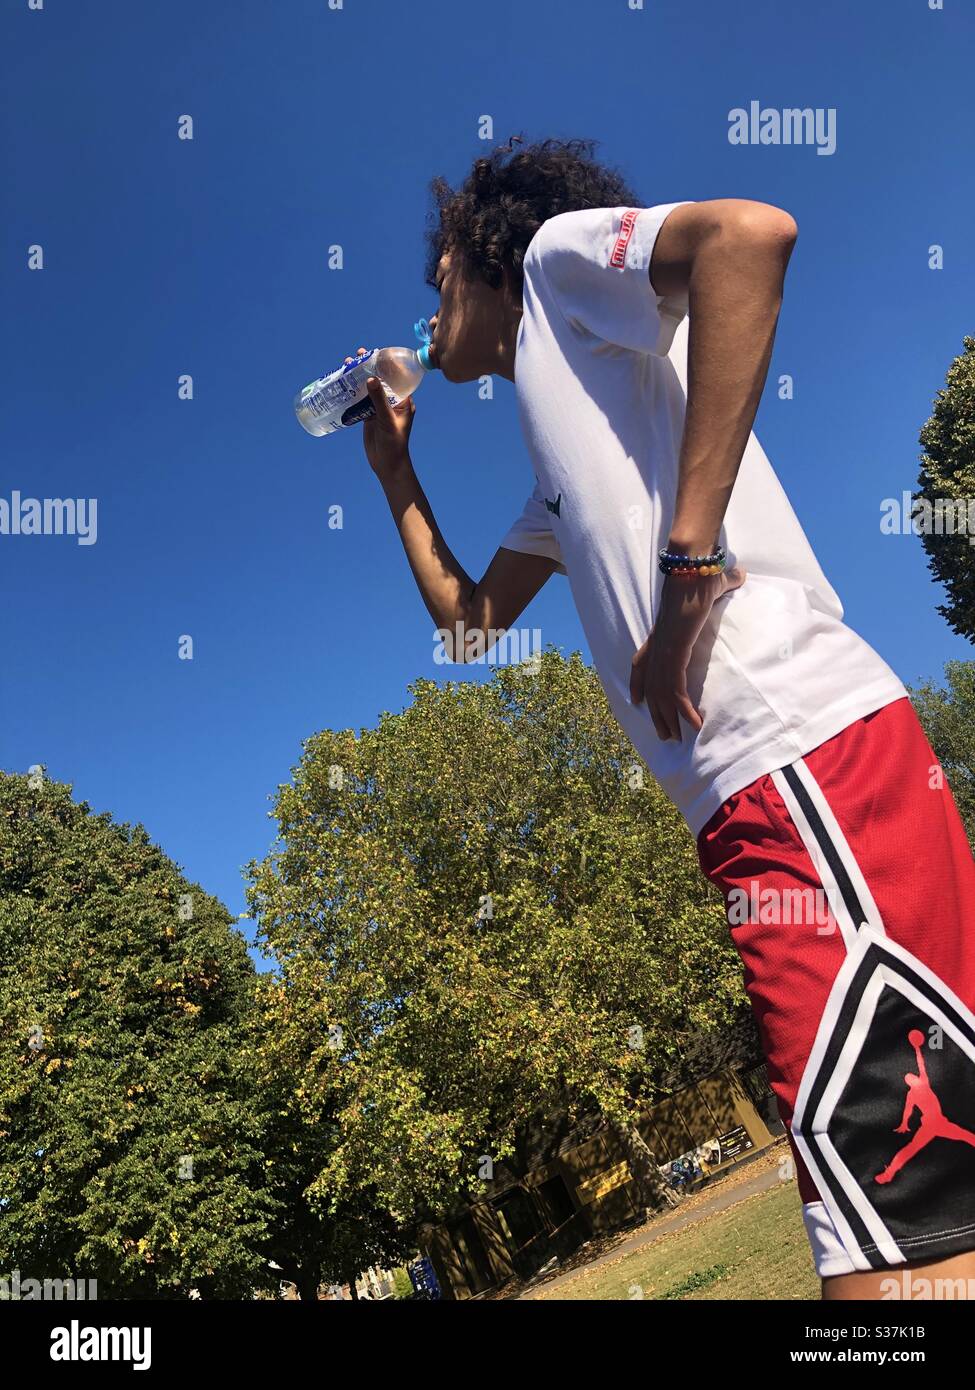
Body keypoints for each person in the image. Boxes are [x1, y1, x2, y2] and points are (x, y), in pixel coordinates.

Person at [352, 136, 975, 1300]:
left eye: (433, 284)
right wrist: (394, 473)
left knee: (883, 1241)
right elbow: (472, 622)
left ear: (470, 258)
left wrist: (692, 568)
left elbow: (748, 238)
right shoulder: (562, 441)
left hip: (793, 754)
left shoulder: (544, 265)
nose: (428, 314)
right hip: (783, 786)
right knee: (925, 1212)